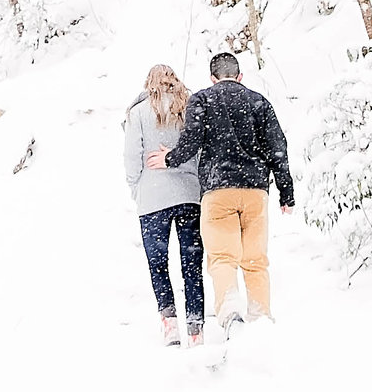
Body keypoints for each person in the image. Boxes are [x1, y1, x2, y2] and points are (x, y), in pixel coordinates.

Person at [151, 51, 293, 329]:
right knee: (255, 260)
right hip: (255, 191)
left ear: (212, 78)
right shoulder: (258, 102)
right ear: (240, 77)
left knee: (222, 258)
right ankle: (260, 315)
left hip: (218, 192)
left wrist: (169, 158)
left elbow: (190, 142)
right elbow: (278, 149)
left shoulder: (202, 99)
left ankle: (230, 314)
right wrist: (286, 193)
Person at [123, 64, 206, 347]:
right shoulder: (189, 106)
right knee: (191, 262)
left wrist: (137, 188)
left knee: (158, 263)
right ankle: (196, 327)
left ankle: (169, 323)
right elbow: (198, 149)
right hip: (188, 195)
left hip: (152, 198)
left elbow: (132, 156)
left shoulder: (138, 112)